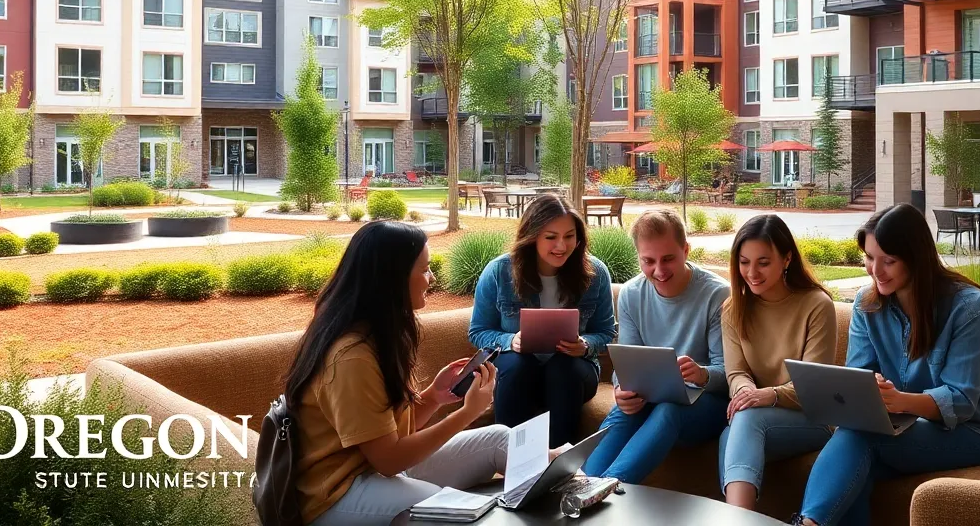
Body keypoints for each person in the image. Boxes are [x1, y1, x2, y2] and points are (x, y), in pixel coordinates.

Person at [793, 204, 980, 526]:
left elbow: (962, 402)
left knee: (859, 441)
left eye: (889, 261)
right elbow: (858, 376)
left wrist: (899, 400)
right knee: (855, 466)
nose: (875, 270)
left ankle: (807, 523)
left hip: (975, 432)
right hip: (899, 425)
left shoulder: (969, 309)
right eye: (869, 257)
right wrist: (869, 392)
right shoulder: (866, 304)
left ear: (916, 258)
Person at [285, 221, 507, 526]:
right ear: (393, 278)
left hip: (372, 469)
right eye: (425, 269)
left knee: (500, 439)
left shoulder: (382, 334)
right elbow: (389, 459)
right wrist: (467, 413)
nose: (432, 278)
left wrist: (434, 397)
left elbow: (387, 434)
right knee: (459, 511)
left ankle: (574, 485)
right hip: (337, 494)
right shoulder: (351, 356)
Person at [582, 209, 730, 483]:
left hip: (707, 405)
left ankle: (603, 492)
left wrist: (703, 374)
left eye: (669, 259)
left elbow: (730, 375)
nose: (659, 271)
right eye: (648, 261)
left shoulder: (718, 295)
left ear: (686, 250)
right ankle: (579, 488)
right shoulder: (631, 294)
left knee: (668, 410)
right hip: (651, 398)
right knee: (623, 416)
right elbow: (626, 364)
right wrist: (620, 388)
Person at [469, 194, 617, 447]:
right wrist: (510, 341)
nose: (561, 246)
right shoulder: (499, 271)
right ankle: (509, 462)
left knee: (562, 369)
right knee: (518, 366)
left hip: (573, 373)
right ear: (532, 235)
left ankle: (558, 466)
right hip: (517, 371)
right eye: (551, 237)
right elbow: (478, 331)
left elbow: (606, 333)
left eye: (569, 236)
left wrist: (585, 345)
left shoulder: (596, 273)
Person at [719, 214, 838, 511]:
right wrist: (748, 393)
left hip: (812, 418)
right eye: (744, 262)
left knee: (742, 423)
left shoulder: (817, 304)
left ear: (786, 259)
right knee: (730, 434)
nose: (752, 272)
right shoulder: (733, 307)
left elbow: (814, 387)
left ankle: (737, 521)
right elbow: (736, 372)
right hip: (758, 415)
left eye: (763, 262)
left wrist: (768, 394)